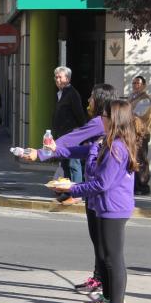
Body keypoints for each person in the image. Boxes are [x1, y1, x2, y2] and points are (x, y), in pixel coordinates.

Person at [23, 84, 117, 296]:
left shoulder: (99, 122)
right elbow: (82, 149)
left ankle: (106, 290)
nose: (89, 101)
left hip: (98, 191)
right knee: (101, 242)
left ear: (101, 100)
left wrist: (42, 153)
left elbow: (72, 139)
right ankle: (100, 280)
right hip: (96, 189)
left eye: (92, 97)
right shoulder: (106, 123)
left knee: (103, 244)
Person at [52, 100, 138, 303]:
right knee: (109, 258)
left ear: (114, 119)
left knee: (113, 259)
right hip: (107, 205)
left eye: (105, 116)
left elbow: (101, 182)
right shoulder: (110, 143)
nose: (102, 120)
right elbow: (94, 171)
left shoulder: (116, 147)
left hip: (113, 208)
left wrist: (72, 189)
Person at [52, 66, 87, 205]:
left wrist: (83, 135)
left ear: (68, 78)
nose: (57, 79)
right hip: (62, 135)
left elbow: (80, 115)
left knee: (74, 164)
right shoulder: (61, 93)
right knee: (65, 164)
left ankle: (77, 194)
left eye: (60, 77)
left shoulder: (72, 94)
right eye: (56, 77)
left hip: (72, 135)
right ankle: (67, 192)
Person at [128, 75, 151, 195]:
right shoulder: (132, 97)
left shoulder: (145, 99)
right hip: (132, 133)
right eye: (133, 83)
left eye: (138, 83)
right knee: (134, 158)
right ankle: (135, 185)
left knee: (141, 159)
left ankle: (143, 185)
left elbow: (136, 114)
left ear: (144, 85)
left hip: (141, 134)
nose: (135, 85)